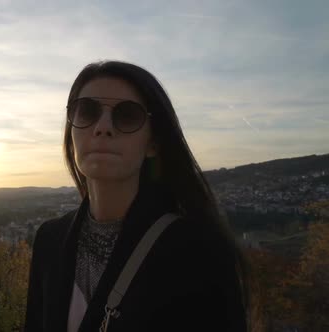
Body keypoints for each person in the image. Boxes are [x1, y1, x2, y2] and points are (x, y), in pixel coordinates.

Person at [24, 61, 253, 331]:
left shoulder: (198, 251)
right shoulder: (50, 239)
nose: (103, 127)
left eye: (127, 116)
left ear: (153, 144)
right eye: (86, 111)